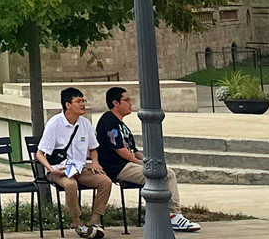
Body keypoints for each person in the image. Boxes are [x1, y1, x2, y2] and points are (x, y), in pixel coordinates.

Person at [97, 87, 200, 233]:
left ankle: (164, 215)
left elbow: (134, 150)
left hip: (129, 163)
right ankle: (173, 215)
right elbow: (119, 149)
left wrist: (146, 159)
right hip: (118, 167)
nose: (131, 103)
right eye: (126, 100)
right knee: (164, 174)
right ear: (115, 103)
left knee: (161, 170)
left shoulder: (122, 124)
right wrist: (138, 163)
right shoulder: (108, 120)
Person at [35, 87, 112, 238]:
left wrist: (95, 162)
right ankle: (77, 222)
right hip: (59, 168)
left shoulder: (85, 123)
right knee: (70, 185)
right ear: (68, 105)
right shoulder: (54, 123)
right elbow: (40, 153)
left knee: (105, 182)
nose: (83, 104)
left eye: (83, 100)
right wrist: (51, 169)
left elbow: (93, 148)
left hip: (79, 168)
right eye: (78, 101)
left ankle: (94, 221)